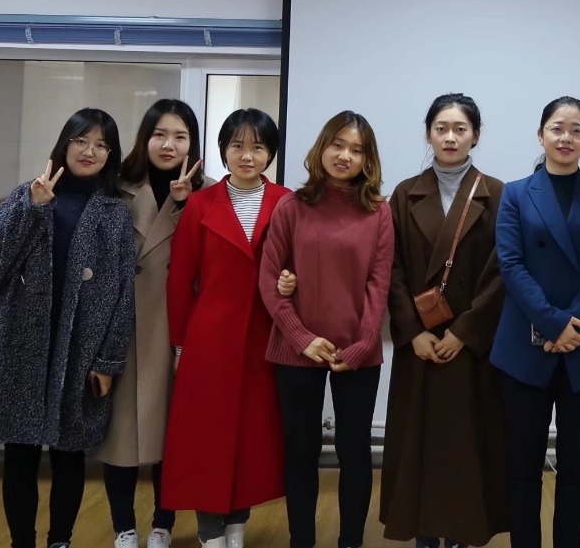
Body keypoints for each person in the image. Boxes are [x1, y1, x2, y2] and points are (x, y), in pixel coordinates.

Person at [0, 108, 135, 548]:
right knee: (19, 453)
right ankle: (21, 542)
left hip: (79, 347)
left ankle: (60, 540)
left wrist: (108, 360)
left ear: (111, 155)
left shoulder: (115, 213)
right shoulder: (30, 193)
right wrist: (31, 208)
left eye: (101, 145)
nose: (89, 151)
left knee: (69, 453)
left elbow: (124, 293)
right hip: (21, 344)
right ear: (65, 144)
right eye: (82, 140)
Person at [490, 96, 580, 548]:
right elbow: (511, 265)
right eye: (557, 128)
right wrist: (552, 323)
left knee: (576, 467)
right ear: (541, 134)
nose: (566, 137)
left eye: (576, 130)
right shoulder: (515, 193)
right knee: (521, 466)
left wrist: (572, 323)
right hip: (524, 347)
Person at [378, 93, 508, 548]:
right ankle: (425, 535)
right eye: (441, 128)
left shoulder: (497, 194)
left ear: (476, 135)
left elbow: (502, 272)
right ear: (428, 134)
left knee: (464, 443)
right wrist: (413, 332)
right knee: (418, 441)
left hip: (469, 345)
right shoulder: (403, 193)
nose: (450, 137)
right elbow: (391, 269)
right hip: (420, 345)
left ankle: (461, 533)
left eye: (460, 129)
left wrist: (464, 332)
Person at [259, 110, 394, 548]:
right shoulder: (291, 207)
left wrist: (363, 343)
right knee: (301, 451)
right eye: (338, 144)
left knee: (355, 452)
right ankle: (302, 540)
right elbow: (270, 279)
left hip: (357, 353)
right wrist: (302, 338)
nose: (345, 155)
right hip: (295, 350)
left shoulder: (379, 212)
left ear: (367, 159)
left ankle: (350, 540)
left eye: (356, 150)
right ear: (322, 147)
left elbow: (379, 283)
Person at [162, 109, 289, 548]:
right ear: (223, 150)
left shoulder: (287, 202)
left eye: (258, 147)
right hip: (209, 340)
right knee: (207, 436)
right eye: (237, 146)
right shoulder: (200, 204)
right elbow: (180, 281)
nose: (247, 156)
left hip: (265, 338)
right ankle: (210, 531)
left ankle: (236, 527)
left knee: (252, 438)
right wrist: (179, 346)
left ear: (271, 153)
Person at [97, 99, 212, 548]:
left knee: (171, 434)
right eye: (160, 134)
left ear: (193, 144)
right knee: (121, 436)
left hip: (180, 329)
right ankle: (124, 527)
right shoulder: (116, 188)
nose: (169, 145)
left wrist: (185, 206)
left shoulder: (207, 195)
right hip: (124, 328)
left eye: (180, 136)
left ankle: (163, 524)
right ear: (145, 138)